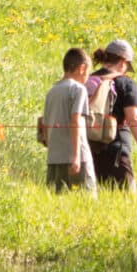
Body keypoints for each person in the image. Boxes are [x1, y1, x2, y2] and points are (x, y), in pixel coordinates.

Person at [87, 38, 137, 191]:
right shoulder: (125, 83)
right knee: (126, 204)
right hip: (116, 154)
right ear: (123, 62)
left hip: (87, 152)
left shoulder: (88, 80)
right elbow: (135, 119)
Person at [41, 47, 97, 194]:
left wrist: (52, 151)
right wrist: (76, 156)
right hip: (77, 159)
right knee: (85, 202)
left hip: (54, 159)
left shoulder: (51, 91)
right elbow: (75, 120)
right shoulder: (79, 90)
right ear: (82, 68)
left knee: (57, 205)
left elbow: (45, 125)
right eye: (88, 73)